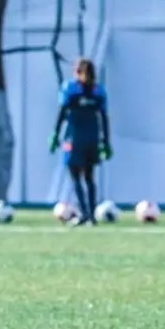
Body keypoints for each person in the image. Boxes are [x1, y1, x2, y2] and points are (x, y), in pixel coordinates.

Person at [50, 58, 113, 227]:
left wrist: (55, 135)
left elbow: (62, 112)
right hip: (93, 138)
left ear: (77, 72)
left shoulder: (70, 89)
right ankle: (91, 215)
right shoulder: (98, 91)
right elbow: (104, 118)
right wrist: (106, 142)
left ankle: (84, 214)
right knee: (89, 177)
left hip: (74, 139)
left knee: (75, 176)